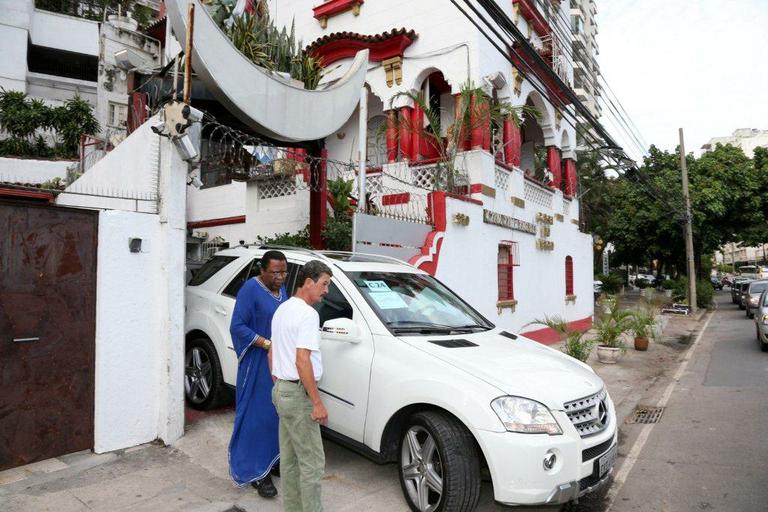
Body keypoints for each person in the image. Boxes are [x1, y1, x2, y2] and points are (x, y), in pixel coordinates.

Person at [271, 260, 332, 512]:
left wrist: (280, 383)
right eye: (324, 284)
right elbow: (302, 359)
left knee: (290, 460)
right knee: (312, 463)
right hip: (297, 394)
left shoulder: (283, 309)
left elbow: (271, 350)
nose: (326, 290)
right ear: (308, 282)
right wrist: (316, 402)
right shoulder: (308, 314)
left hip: (283, 390)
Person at [228, 250, 289, 497]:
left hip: (277, 362)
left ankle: (271, 460)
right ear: (262, 270)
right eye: (275, 272)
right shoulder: (249, 290)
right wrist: (266, 344)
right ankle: (256, 472)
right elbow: (238, 326)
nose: (281, 277)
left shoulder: (280, 289)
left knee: (276, 413)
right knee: (257, 417)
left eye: (284, 271)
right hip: (256, 362)